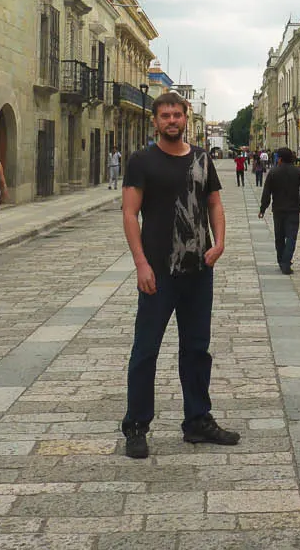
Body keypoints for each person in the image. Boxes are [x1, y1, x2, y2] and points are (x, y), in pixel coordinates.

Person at [120, 91, 239, 459]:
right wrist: (141, 263)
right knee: (146, 350)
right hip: (158, 272)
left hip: (199, 271)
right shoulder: (142, 161)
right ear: (155, 121)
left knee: (196, 349)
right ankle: (137, 426)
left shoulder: (202, 158)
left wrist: (219, 243)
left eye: (177, 115)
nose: (172, 121)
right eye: (165, 116)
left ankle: (197, 421)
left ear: (186, 118)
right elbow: (129, 214)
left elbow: (214, 202)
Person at [258, 147, 300, 274]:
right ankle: (286, 261)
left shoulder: (273, 172)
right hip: (293, 209)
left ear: (279, 159)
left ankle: (282, 261)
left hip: (278, 210)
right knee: (291, 237)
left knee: (279, 237)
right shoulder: (297, 171)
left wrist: (262, 209)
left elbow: (266, 192)